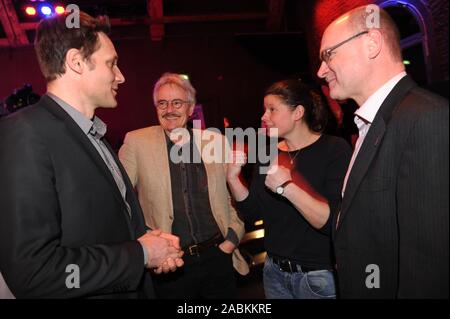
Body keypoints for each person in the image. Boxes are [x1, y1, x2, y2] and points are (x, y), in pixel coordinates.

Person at [0, 12, 183, 299]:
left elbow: (102, 227)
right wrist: (141, 254)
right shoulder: (24, 134)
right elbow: (33, 273)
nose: (120, 76)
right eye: (112, 63)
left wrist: (150, 243)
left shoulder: (95, 135)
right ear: (76, 62)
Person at [317, 5, 448, 298]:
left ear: (372, 44)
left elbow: (429, 268)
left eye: (328, 55)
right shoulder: (374, 121)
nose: (321, 70)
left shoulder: (426, 118)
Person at [119, 73, 249, 299]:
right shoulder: (136, 142)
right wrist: (148, 245)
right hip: (169, 263)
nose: (169, 109)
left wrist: (230, 241)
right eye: (162, 103)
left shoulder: (215, 142)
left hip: (217, 256)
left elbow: (234, 196)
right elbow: (120, 203)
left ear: (190, 109)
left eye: (177, 103)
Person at [227, 79, 352, 299]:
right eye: (264, 110)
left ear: (298, 113)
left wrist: (287, 188)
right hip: (274, 273)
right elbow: (253, 213)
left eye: (272, 109)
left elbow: (331, 222)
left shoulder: (334, 150)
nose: (264, 116)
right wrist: (233, 179)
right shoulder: (268, 153)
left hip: (316, 277)